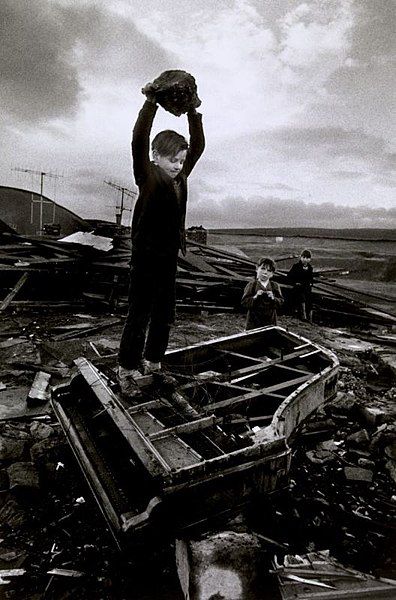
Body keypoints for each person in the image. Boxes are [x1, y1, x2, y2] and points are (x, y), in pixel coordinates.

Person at [117, 76, 205, 395]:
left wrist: (194, 113)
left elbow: (199, 147)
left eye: (181, 161)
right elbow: (138, 139)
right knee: (139, 314)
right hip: (145, 258)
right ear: (156, 156)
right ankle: (126, 370)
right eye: (171, 159)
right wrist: (150, 103)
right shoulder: (148, 176)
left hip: (168, 257)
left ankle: (153, 364)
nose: (177, 165)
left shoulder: (180, 178)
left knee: (164, 315)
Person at [241, 257, 284, 329]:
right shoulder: (252, 285)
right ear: (257, 269)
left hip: (270, 321)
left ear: (272, 274)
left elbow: (281, 302)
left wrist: (273, 298)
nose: (265, 272)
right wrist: (255, 297)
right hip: (254, 322)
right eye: (263, 269)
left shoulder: (274, 286)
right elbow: (244, 302)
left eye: (269, 270)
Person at [287, 249, 314, 321]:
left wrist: (311, 283)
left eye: (307, 258)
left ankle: (310, 319)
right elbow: (289, 276)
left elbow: (311, 279)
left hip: (307, 288)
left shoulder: (310, 268)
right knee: (301, 298)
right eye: (304, 257)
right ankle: (303, 317)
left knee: (310, 300)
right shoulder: (296, 266)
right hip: (298, 288)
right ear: (301, 257)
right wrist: (295, 283)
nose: (305, 259)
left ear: (310, 259)